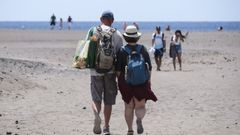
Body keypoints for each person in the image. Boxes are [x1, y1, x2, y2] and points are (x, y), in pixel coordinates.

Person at [85, 11, 123, 135]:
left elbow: (87, 48)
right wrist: (118, 74)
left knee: (96, 98)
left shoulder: (93, 31)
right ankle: (106, 127)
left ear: (101, 19)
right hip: (110, 71)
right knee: (109, 101)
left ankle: (96, 114)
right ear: (112, 20)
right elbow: (119, 54)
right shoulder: (117, 33)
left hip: (95, 71)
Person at [116, 25, 157, 135]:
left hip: (125, 82)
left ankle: (130, 130)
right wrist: (148, 81)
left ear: (126, 38)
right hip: (142, 82)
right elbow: (149, 67)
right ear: (137, 38)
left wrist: (119, 82)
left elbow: (118, 71)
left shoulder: (122, 51)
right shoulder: (142, 49)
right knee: (140, 105)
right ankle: (139, 120)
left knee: (128, 106)